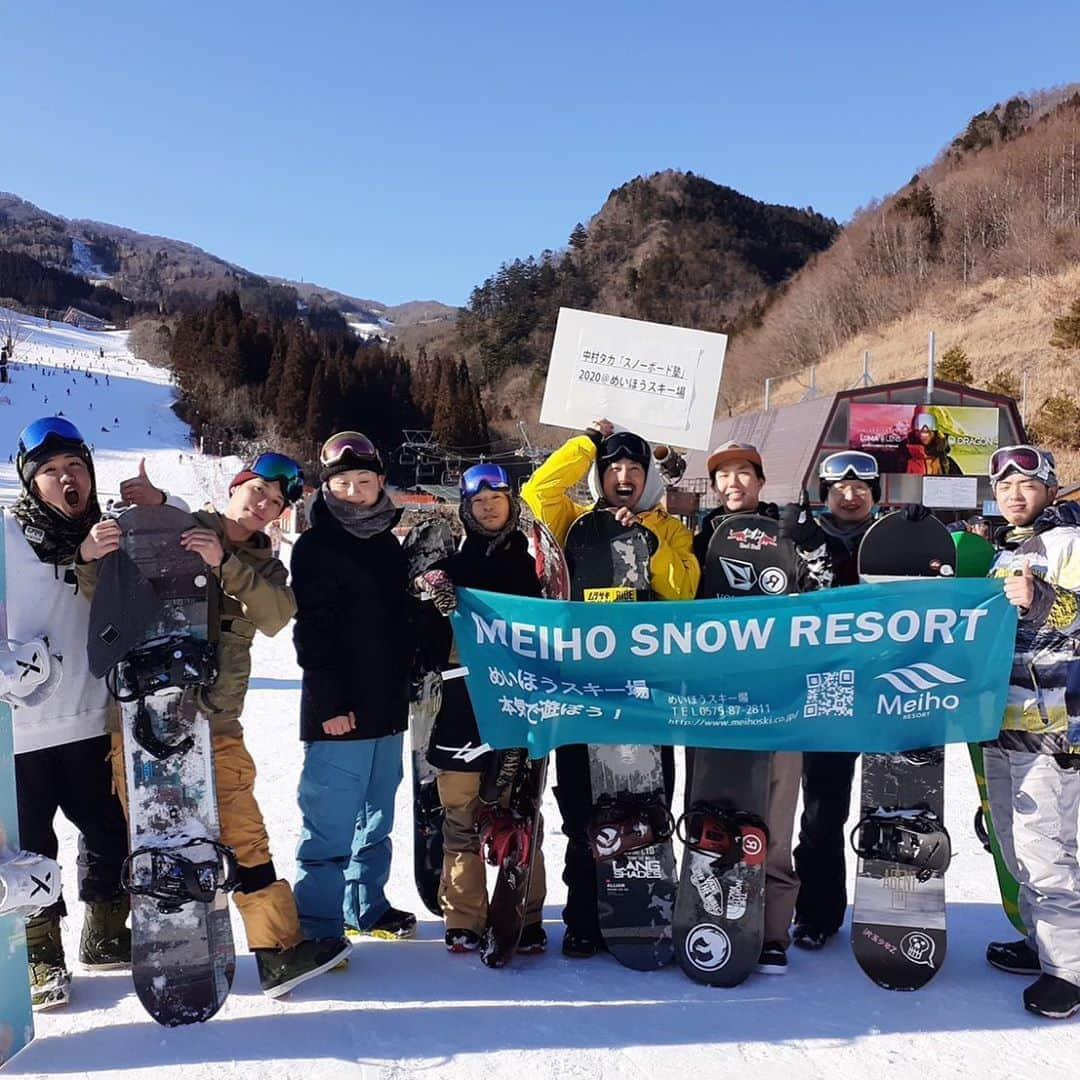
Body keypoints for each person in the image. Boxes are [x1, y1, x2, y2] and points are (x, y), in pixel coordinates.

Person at [79, 450, 350, 998]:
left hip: (216, 721)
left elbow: (276, 615)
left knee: (244, 829)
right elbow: (101, 590)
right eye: (259, 492)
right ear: (237, 484)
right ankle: (168, 949)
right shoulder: (183, 527)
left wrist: (223, 563)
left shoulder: (265, 563)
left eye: (276, 503)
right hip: (139, 720)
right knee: (154, 831)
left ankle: (277, 951)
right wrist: (147, 517)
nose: (265, 506)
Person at [521, 417, 699, 957]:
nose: (624, 475)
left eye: (634, 467)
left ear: (648, 477)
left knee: (646, 799)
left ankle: (647, 904)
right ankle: (583, 917)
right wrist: (587, 442)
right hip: (580, 689)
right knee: (581, 807)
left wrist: (647, 541)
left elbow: (684, 591)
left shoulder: (669, 528)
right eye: (613, 466)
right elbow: (537, 490)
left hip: (648, 690)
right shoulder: (573, 522)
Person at [5, 417, 137, 1008]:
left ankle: (106, 936)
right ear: (31, 484)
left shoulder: (111, 537)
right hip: (20, 732)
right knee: (30, 850)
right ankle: (40, 954)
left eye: (76, 468)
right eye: (52, 472)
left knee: (110, 834)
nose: (67, 480)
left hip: (90, 719)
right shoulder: (5, 537)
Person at [691, 441, 833, 974]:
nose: (734, 484)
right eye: (723, 476)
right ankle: (710, 913)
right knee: (714, 814)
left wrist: (811, 545)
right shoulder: (700, 538)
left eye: (743, 474)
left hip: (780, 700)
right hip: (714, 701)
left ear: (759, 480)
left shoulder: (786, 536)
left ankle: (772, 930)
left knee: (773, 818)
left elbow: (826, 599)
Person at [415, 463, 547, 954]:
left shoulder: (530, 571)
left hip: (517, 706)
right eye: (478, 501)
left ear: (511, 504)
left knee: (519, 813)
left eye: (497, 499)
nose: (488, 507)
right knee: (461, 814)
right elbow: (426, 651)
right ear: (466, 509)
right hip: (462, 709)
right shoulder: (452, 571)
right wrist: (432, 604)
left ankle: (525, 912)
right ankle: (464, 917)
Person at [290, 432, 416, 944]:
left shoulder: (387, 543)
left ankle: (365, 904)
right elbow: (312, 630)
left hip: (387, 702)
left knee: (377, 814)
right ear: (327, 487)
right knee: (330, 821)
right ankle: (317, 924)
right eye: (342, 483)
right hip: (339, 709)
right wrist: (329, 703)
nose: (354, 491)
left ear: (380, 484)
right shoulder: (317, 545)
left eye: (363, 482)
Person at [979, 445, 1080, 1019]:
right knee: (1013, 846)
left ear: (1049, 487)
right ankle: (1043, 942)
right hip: (1003, 719)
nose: (1015, 494)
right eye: (1005, 486)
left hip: (1054, 726)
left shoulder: (1071, 543)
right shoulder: (1006, 551)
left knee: (1047, 851)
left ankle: (1068, 969)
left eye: (1027, 483)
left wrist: (1046, 598)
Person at [791, 450, 881, 951]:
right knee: (823, 808)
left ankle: (898, 906)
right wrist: (788, 550)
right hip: (824, 689)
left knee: (900, 802)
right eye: (840, 488)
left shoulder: (893, 539)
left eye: (861, 488)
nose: (851, 495)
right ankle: (816, 911)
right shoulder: (804, 542)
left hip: (887, 685)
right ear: (824, 495)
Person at [900, 410, 962, 476]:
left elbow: (960, 484)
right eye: (919, 428)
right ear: (914, 431)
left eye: (930, 428)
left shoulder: (946, 462)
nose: (924, 432)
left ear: (935, 432)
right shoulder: (901, 459)